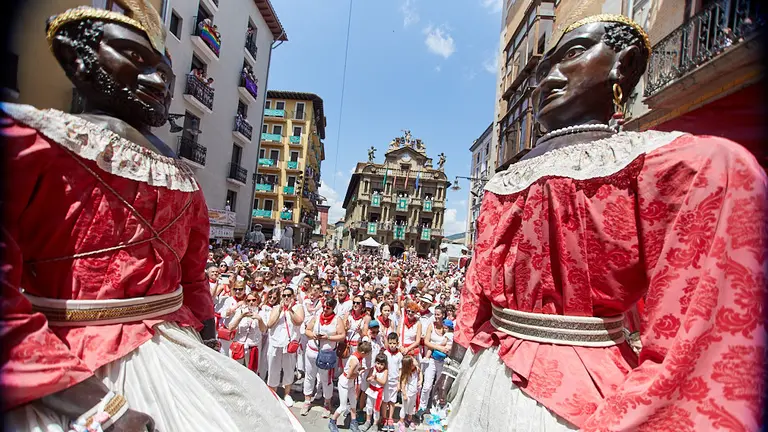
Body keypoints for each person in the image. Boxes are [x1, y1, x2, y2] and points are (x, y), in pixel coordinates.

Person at [437, 13, 767, 432]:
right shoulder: (503, 182)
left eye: (572, 54)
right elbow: (476, 293)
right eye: (541, 71)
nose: (545, 81)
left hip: (578, 403)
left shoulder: (683, 164)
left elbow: (699, 334)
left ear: (624, 65)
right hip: (487, 375)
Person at [1, 4, 302, 431]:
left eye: (165, 71)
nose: (159, 81)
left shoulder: (182, 178)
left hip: (177, 349)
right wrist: (94, 406)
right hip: (67, 364)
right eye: (134, 58)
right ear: (79, 60)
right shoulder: (32, 142)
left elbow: (193, 279)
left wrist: (210, 344)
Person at [302, 298, 344, 417]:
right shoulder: (316, 317)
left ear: (333, 308)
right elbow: (307, 330)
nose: (325, 309)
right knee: (309, 376)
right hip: (312, 351)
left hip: (327, 354)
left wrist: (328, 338)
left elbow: (342, 335)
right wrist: (314, 335)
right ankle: (307, 400)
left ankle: (327, 403)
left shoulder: (337, 320)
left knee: (326, 379)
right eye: (324, 307)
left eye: (328, 308)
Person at [266, 286, 305, 407]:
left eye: (289, 295)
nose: (286, 298)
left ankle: (287, 393)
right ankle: (272, 392)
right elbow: (270, 324)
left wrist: (290, 310)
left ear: (293, 296)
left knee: (288, 369)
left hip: (289, 345)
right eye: (284, 296)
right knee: (273, 369)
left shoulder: (298, 307)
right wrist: (280, 310)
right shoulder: (276, 308)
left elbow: (299, 321)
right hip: (275, 343)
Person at [329, 341, 372, 432]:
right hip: (345, 384)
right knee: (343, 406)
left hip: (350, 384)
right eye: (367, 353)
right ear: (363, 353)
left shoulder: (357, 356)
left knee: (353, 404)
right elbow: (349, 375)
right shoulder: (355, 360)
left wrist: (359, 370)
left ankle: (353, 422)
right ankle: (332, 421)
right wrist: (358, 373)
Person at [362, 353, 389, 431]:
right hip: (371, 390)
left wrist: (376, 378)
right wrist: (370, 379)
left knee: (376, 409)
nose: (379, 366)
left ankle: (375, 424)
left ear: (385, 365)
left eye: (381, 364)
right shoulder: (372, 369)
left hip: (378, 393)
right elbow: (367, 378)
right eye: (378, 363)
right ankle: (368, 421)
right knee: (369, 406)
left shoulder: (385, 371)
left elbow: (383, 382)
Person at [382, 333, 403, 432]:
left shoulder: (399, 355)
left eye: (394, 343)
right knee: (385, 400)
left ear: (397, 343)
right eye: (390, 343)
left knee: (392, 401)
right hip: (386, 381)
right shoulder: (385, 353)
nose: (392, 345)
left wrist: (399, 382)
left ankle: (390, 418)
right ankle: (384, 418)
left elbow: (400, 370)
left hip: (394, 381)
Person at [398, 355, 422, 430]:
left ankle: (409, 419)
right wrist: (404, 394)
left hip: (413, 393)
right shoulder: (406, 374)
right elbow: (403, 384)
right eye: (411, 364)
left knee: (411, 408)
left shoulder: (416, 369)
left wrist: (420, 380)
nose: (413, 365)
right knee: (404, 408)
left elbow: (420, 372)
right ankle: (401, 421)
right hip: (407, 394)